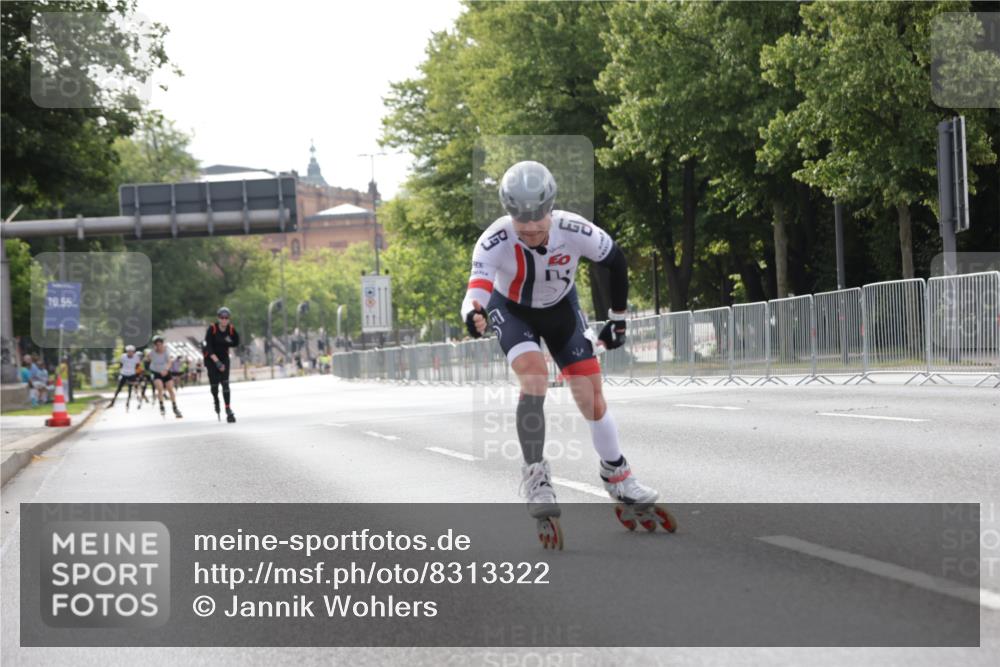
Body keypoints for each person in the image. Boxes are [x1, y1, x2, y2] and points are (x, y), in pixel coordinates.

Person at [460, 160, 676, 548]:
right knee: (534, 375)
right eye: (520, 219)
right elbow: (476, 288)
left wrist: (619, 318)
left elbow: (616, 260)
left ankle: (618, 475)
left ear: (551, 208)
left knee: (590, 395)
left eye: (537, 218)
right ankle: (535, 476)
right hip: (511, 311)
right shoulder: (494, 240)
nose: (529, 228)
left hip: (561, 310)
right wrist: (473, 313)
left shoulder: (573, 229)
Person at [204, 306, 240, 422]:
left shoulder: (231, 329)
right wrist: (217, 362)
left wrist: (230, 341)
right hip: (211, 359)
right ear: (218, 318)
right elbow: (208, 348)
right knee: (214, 386)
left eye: (226, 318)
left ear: (229, 319)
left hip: (224, 358)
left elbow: (236, 342)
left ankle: (228, 409)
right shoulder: (212, 329)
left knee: (225, 384)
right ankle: (216, 400)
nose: (224, 320)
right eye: (222, 317)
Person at [147, 335, 182, 418]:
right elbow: (148, 358)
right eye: (157, 345)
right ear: (155, 345)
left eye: (160, 344)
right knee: (160, 388)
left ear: (162, 344)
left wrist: (165, 370)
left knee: (170, 389)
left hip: (166, 372)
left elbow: (169, 362)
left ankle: (175, 407)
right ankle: (161, 406)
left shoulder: (166, 351)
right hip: (156, 372)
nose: (159, 346)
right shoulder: (152, 352)